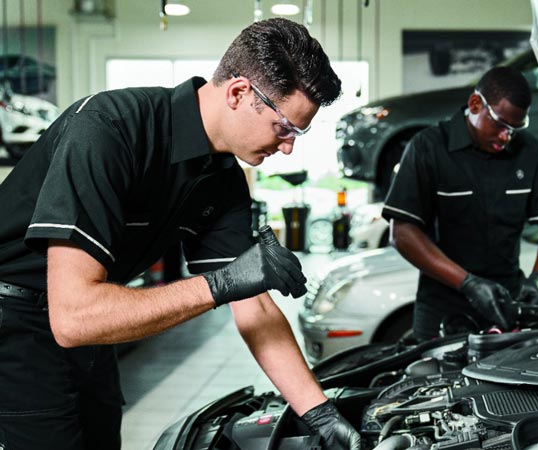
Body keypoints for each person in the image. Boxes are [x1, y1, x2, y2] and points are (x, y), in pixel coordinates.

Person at [0, 18, 360, 450]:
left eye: (298, 133)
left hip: (90, 328)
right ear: (239, 92)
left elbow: (255, 307)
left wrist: (319, 413)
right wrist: (221, 284)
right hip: (14, 321)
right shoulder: (109, 128)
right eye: (284, 128)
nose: (288, 147)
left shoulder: (222, 176)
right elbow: (73, 317)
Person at [382, 66, 538, 340]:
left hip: (506, 307)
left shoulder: (530, 152)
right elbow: (402, 233)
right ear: (475, 104)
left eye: (515, 129)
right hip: (443, 312)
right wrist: (467, 283)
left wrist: (537, 278)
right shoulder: (428, 148)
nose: (506, 137)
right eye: (501, 125)